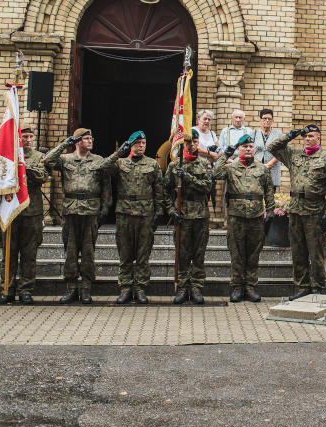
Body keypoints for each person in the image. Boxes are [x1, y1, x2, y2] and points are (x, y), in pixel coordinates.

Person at [42, 128, 111, 304]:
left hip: (90, 210)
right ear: (78, 141)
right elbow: (47, 160)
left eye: (91, 138)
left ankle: (86, 287)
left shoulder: (98, 160)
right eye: (86, 138)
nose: (90, 141)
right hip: (71, 210)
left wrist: (104, 210)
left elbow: (106, 187)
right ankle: (71, 287)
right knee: (70, 251)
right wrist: (66, 143)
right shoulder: (65, 159)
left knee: (88, 251)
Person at [269, 124, 326, 300]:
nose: (307, 139)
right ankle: (302, 286)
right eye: (305, 136)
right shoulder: (293, 154)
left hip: (315, 210)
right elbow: (272, 148)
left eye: (311, 136)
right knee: (298, 251)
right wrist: (288, 136)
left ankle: (317, 288)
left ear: (318, 138)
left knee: (316, 252)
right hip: (296, 209)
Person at [101, 131, 164, 304]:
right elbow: (104, 167)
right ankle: (125, 288)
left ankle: (141, 289)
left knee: (143, 254)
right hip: (124, 213)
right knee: (125, 253)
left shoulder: (152, 164)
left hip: (145, 213)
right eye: (137, 143)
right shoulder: (120, 163)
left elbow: (159, 189)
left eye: (143, 143)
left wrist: (159, 213)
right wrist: (119, 152)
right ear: (131, 145)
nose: (141, 146)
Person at [213, 134, 274, 302]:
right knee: (237, 253)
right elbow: (216, 173)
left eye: (251, 146)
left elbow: (269, 192)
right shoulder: (231, 167)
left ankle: (250, 287)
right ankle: (237, 287)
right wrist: (225, 154)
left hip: (256, 217)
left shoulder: (261, 168)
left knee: (253, 254)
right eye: (245, 146)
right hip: (236, 217)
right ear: (239, 149)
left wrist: (271, 213)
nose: (248, 149)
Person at [0, 124, 47, 305]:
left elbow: (42, 177)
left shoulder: (39, 157)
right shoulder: (6, 157)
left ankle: (26, 290)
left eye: (31, 137)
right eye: (24, 137)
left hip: (31, 212)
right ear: (17, 138)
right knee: (8, 252)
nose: (28, 140)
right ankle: (6, 289)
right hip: (10, 211)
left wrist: (23, 166)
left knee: (29, 253)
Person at [164, 130, 213, 304]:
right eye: (188, 142)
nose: (192, 145)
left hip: (200, 215)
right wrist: (171, 211)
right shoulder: (174, 166)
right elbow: (165, 191)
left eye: (195, 142)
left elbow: (207, 187)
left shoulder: (204, 164)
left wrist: (188, 178)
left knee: (199, 253)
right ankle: (183, 287)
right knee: (182, 254)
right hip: (182, 215)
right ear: (182, 143)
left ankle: (197, 287)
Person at [219, 110, 252, 223]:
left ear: (244, 119)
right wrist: (226, 159)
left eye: (240, 118)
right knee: (227, 191)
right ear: (232, 118)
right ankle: (226, 220)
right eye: (236, 117)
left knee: (243, 189)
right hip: (229, 160)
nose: (238, 120)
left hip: (243, 160)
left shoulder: (249, 131)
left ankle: (243, 218)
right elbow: (221, 148)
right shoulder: (225, 131)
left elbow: (251, 148)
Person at [252, 109, 283, 190]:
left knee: (270, 198)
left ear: (272, 121)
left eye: (269, 119)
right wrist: (260, 166)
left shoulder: (278, 134)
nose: (267, 121)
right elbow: (250, 151)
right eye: (264, 118)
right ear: (260, 121)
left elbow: (280, 152)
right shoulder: (253, 133)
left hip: (272, 171)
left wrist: (268, 165)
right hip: (256, 169)